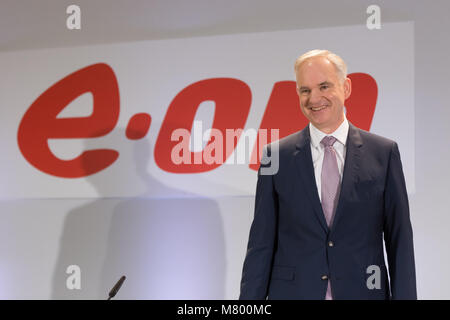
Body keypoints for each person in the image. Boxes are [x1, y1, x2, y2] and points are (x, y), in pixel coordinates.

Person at [239, 49, 417, 300]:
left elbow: (400, 240)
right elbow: (261, 243)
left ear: (346, 87)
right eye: (305, 90)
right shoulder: (275, 156)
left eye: (324, 86)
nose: (314, 98)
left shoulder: (384, 153)